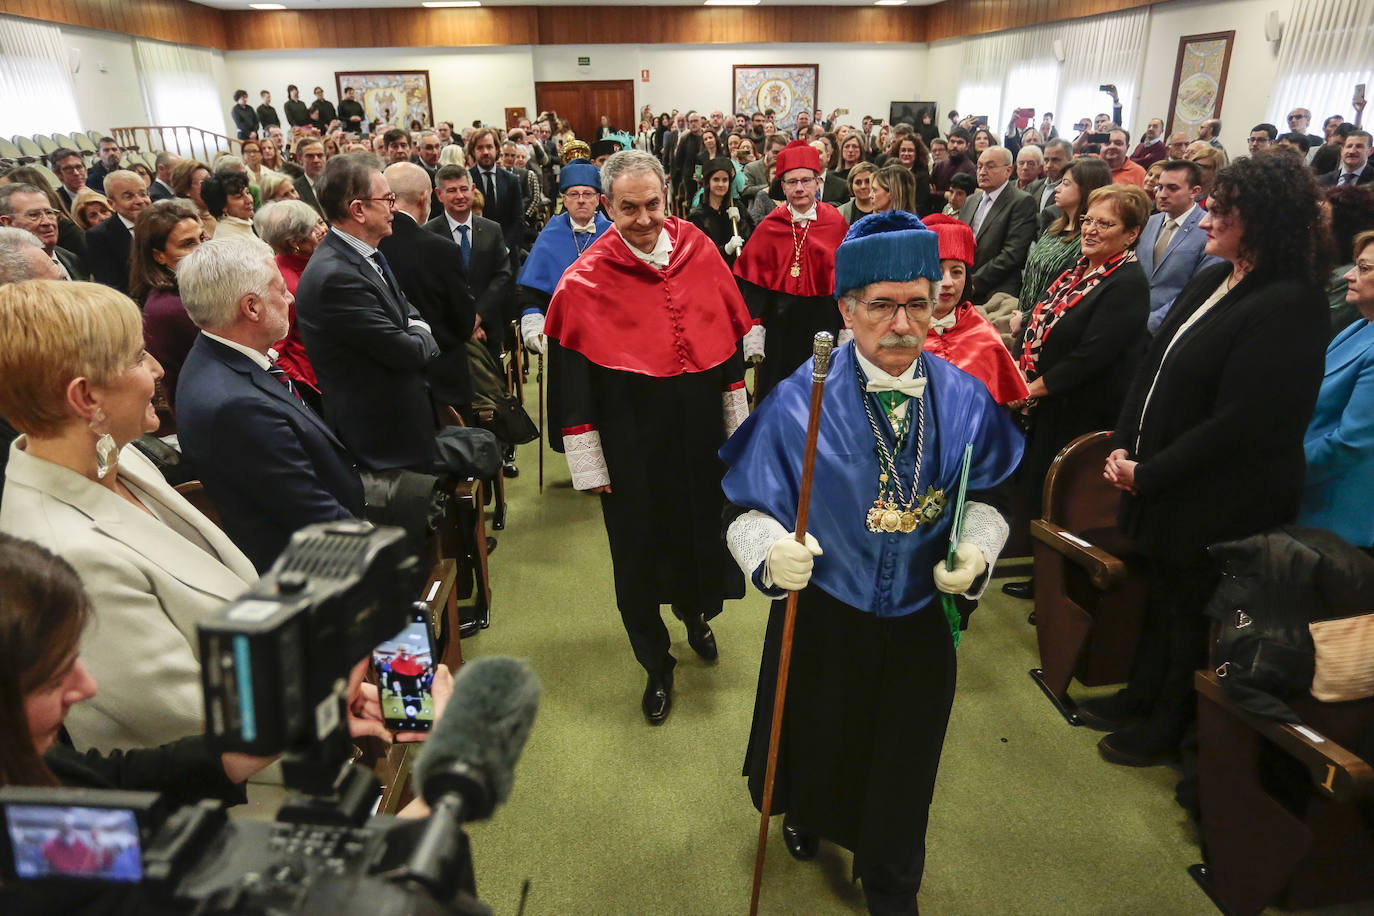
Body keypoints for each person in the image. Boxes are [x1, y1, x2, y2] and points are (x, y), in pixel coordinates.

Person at [720, 210, 1023, 915]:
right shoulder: (801, 401)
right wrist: (769, 553)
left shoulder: (965, 396)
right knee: (821, 734)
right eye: (882, 305)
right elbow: (740, 506)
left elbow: (997, 491)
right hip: (826, 607)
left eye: (919, 302)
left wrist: (977, 547)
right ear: (847, 310)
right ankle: (808, 812)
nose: (902, 322)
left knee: (907, 758)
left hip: (921, 614)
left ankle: (892, 882)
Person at [1093, 152, 1331, 767]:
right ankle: (1140, 695)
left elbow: (1243, 422)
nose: (1204, 223)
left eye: (1220, 212)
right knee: (1160, 595)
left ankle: (1168, 724)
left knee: (1190, 611)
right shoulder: (1213, 276)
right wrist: (1123, 441)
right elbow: (1154, 366)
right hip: (1163, 479)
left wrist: (1151, 471)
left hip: (1219, 492)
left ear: (1263, 220)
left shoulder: (1290, 302)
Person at [0, 280, 258, 752]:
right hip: (236, 796)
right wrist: (327, 694)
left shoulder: (118, 455)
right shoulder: (66, 554)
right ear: (86, 400)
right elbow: (187, 716)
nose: (158, 369)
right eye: (139, 356)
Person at [544, 150, 752, 724]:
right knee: (638, 552)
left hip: (699, 433)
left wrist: (737, 432)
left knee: (698, 532)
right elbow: (575, 384)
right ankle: (655, 662)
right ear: (606, 206)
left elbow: (727, 348)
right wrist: (590, 464)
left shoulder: (701, 250)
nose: (642, 219)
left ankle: (695, 615)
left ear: (668, 197)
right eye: (628, 208)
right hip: (630, 441)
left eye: (652, 204)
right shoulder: (585, 279)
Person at [175, 237, 366, 572]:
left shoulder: (219, 355)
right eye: (280, 290)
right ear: (251, 307)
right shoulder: (234, 406)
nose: (290, 297)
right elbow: (309, 512)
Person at [1001, 186, 1152, 601]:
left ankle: (1058, 594)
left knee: (1064, 501)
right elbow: (1044, 324)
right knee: (1040, 492)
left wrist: (1031, 389)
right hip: (1052, 402)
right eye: (1088, 219)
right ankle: (1043, 582)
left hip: (1082, 407)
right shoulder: (1078, 269)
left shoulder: (1127, 283)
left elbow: (1092, 356)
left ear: (1131, 233)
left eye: (1105, 224)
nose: (1091, 229)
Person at [296, 153, 441, 472]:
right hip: (381, 440)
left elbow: (407, 309)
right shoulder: (337, 277)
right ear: (358, 209)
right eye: (387, 198)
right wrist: (419, 329)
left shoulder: (363, 252)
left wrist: (412, 325)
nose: (394, 207)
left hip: (399, 424)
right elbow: (410, 352)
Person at [732, 140, 850, 404]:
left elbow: (847, 282)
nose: (799, 188)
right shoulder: (770, 225)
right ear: (782, 185)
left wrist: (846, 325)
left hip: (823, 323)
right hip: (780, 326)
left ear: (817, 182)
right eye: (792, 181)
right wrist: (755, 329)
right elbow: (754, 286)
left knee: (821, 394)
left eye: (806, 180)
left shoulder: (835, 222)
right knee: (778, 392)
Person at [516, 159, 611, 450]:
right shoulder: (550, 235)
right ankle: (578, 455)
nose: (581, 200)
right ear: (564, 199)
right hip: (565, 337)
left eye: (587, 194)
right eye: (573, 194)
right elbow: (532, 291)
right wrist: (533, 322)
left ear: (599, 199)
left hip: (607, 337)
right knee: (572, 398)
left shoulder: (613, 234)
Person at [379, 162, 477, 415]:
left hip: (390, 383)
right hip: (444, 380)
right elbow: (463, 322)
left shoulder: (370, 247)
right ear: (425, 197)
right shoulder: (442, 250)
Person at [1298, 229, 1374, 547]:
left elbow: (1350, 443)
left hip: (1339, 517)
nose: (1349, 277)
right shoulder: (1358, 326)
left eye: (1365, 268)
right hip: (1311, 493)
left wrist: (1277, 468)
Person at [921, 214, 1029, 405]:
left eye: (956, 272)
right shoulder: (901, 330)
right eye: (937, 271)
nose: (947, 283)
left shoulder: (982, 334)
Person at [1008, 157, 1113, 351]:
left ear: (1086, 189)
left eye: (1065, 184)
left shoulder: (1088, 240)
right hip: (1025, 319)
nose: (1056, 189)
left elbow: (1067, 291)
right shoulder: (1055, 225)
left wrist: (1025, 318)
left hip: (1048, 331)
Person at [427, 164, 514, 362]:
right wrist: (463, 324)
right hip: (446, 333)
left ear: (473, 189)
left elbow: (502, 275)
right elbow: (431, 286)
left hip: (488, 327)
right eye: (451, 190)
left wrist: (477, 318)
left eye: (464, 189)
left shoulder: (492, 230)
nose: (459, 196)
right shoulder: (428, 234)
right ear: (439, 194)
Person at [130, 199, 205, 411]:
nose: (201, 249)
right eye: (188, 244)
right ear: (159, 256)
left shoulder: (192, 288)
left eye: (202, 238)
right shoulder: (171, 307)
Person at [1135, 159, 1223, 335]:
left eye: (1172, 188)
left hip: (1171, 327)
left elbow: (1198, 291)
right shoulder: (1149, 223)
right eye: (1160, 187)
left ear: (1195, 191)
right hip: (1132, 319)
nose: (1162, 194)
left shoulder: (1208, 229)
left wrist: (1150, 323)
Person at [254, 199, 327, 407]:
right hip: (314, 380)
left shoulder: (313, 260)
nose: (322, 229)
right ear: (293, 242)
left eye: (320, 222)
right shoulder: (286, 283)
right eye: (312, 229)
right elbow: (276, 346)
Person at [957, 146, 1039, 305]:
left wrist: (975, 282)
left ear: (1008, 170)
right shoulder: (970, 201)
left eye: (990, 166)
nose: (982, 171)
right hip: (963, 283)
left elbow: (1013, 253)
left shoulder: (1021, 201)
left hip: (996, 290)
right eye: (979, 166)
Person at [84, 170, 150, 296]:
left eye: (143, 194)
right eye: (128, 196)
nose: (140, 201)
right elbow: (112, 286)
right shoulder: (99, 236)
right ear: (111, 203)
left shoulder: (163, 224)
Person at [687, 156, 755, 266]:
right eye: (716, 179)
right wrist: (725, 250)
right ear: (708, 182)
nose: (721, 184)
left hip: (739, 272)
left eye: (725, 180)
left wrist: (740, 223)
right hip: (714, 274)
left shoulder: (737, 206)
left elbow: (752, 241)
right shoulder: (697, 217)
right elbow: (698, 254)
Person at [200, 170, 256, 240]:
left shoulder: (243, 224)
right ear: (222, 205)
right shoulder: (228, 237)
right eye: (239, 196)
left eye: (247, 193)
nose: (249, 200)